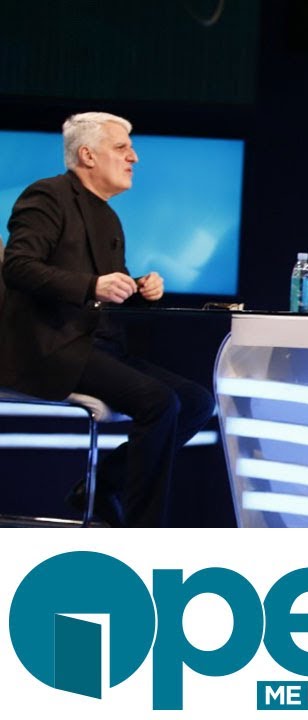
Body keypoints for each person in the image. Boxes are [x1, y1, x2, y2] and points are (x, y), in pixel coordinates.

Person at [0, 112, 215, 527]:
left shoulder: (108, 216)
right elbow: (19, 267)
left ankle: (101, 487)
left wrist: (140, 289)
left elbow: (105, 290)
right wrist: (92, 285)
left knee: (196, 402)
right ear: (87, 155)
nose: (134, 157)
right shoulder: (46, 196)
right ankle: (142, 530)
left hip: (97, 346)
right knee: (160, 402)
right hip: (51, 346)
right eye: (122, 148)